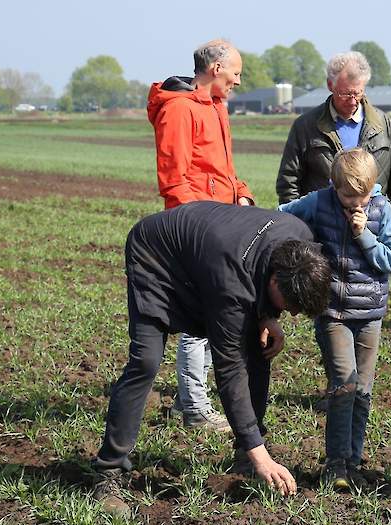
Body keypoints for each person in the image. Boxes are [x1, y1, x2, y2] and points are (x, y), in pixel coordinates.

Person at [91, 202, 331, 517]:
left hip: (207, 254)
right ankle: (108, 473)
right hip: (155, 255)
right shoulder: (233, 284)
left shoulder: (301, 240)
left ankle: (246, 458)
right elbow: (229, 371)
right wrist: (263, 457)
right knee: (145, 362)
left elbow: (263, 270)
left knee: (258, 347)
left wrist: (268, 314)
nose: (293, 313)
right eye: (290, 305)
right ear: (275, 281)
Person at [278, 148, 391, 489]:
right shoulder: (320, 202)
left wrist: (365, 235)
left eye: (362, 196)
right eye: (348, 196)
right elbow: (284, 216)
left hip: (370, 315)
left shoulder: (381, 209)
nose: (355, 204)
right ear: (334, 186)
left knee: (362, 391)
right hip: (332, 312)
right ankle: (334, 464)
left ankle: (353, 462)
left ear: (373, 188)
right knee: (344, 386)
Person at [146, 39, 253, 432]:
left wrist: (241, 193)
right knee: (200, 318)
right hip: (195, 229)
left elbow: (221, 170)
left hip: (219, 222)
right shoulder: (177, 110)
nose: (238, 81)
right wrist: (201, 223)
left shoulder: (216, 108)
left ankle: (186, 400)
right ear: (216, 67)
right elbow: (174, 180)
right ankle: (194, 407)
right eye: (236, 72)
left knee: (217, 312)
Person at [276, 52, 391, 219]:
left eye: (358, 93)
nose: (353, 101)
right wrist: (298, 222)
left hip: (371, 229)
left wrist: (385, 219)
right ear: (330, 85)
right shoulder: (305, 126)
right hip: (320, 228)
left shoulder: (384, 126)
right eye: (346, 94)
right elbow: (288, 181)